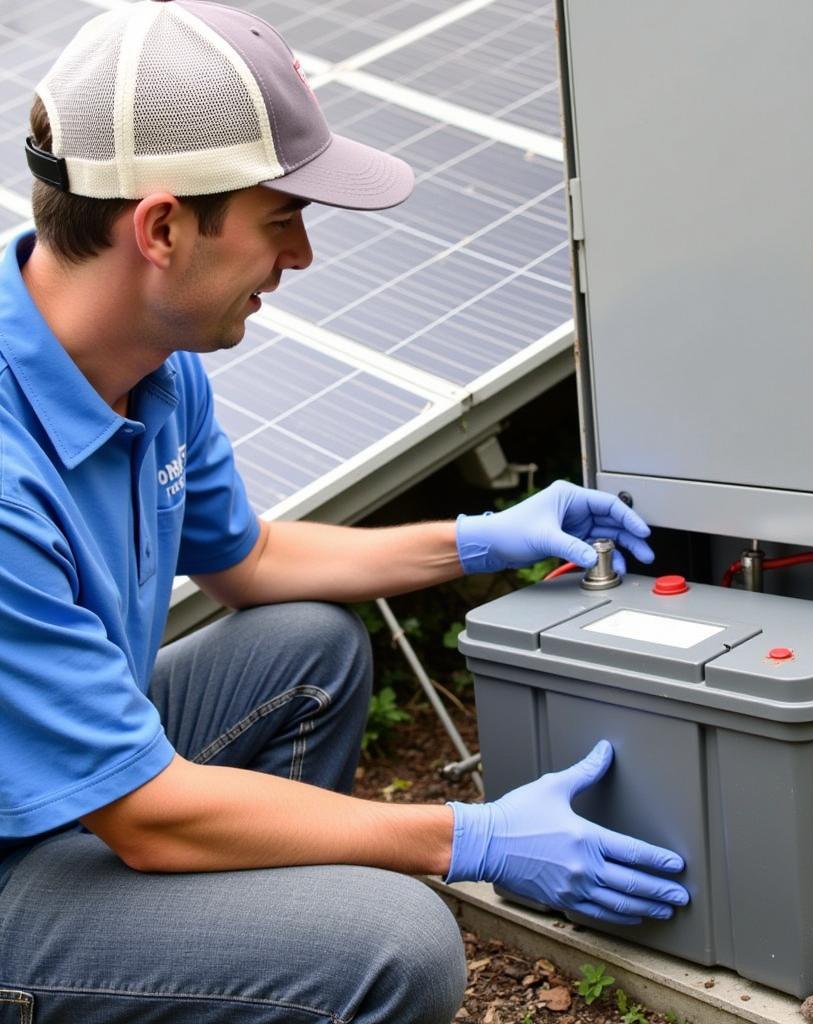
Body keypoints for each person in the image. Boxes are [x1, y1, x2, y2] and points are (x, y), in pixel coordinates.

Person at [0, 2, 690, 1021]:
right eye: (282, 220)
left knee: (308, 647)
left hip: (70, 791)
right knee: (395, 945)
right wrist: (472, 838)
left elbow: (253, 561)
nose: (304, 258)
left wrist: (481, 540)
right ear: (161, 227)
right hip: (22, 863)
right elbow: (144, 815)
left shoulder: (153, 368)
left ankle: (234, 955)